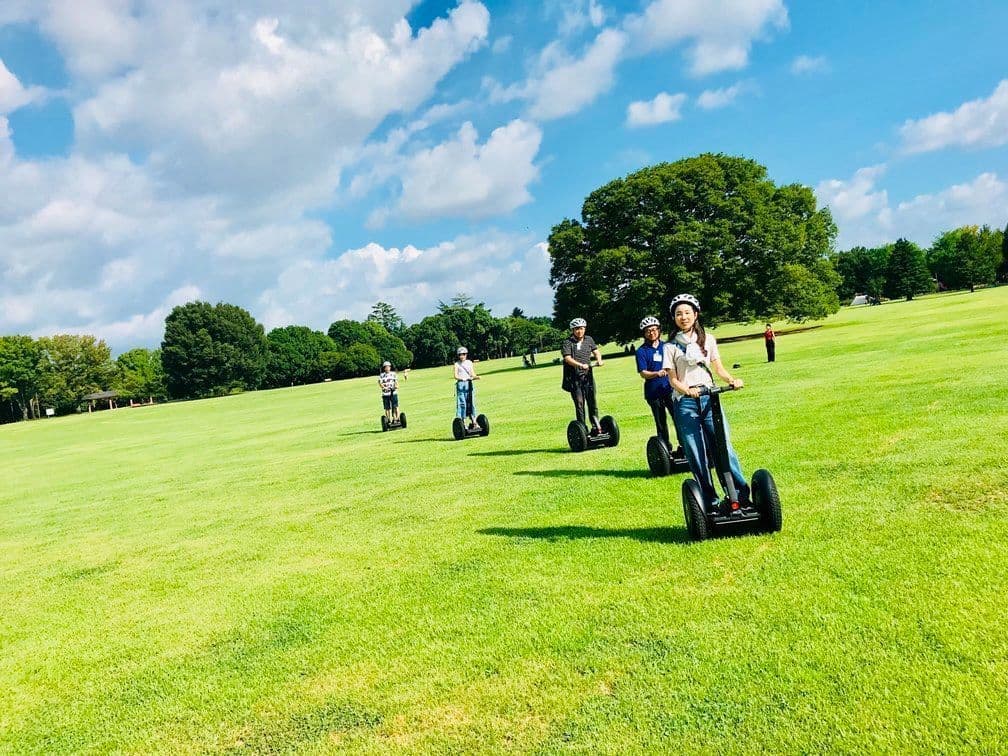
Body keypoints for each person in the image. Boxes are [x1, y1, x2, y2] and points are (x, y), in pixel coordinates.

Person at [662, 294, 749, 510]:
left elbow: (718, 368)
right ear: (674, 318)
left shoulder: (708, 339)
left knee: (724, 447)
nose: (683, 317)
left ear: (696, 314)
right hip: (686, 403)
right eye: (679, 314)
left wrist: (732, 380)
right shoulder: (670, 346)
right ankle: (709, 501)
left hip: (711, 399)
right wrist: (687, 390)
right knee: (696, 453)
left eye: (687, 313)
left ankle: (739, 496)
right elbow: (673, 379)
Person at [561, 317, 604, 435]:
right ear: (573, 330)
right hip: (574, 378)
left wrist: (599, 360)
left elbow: (596, 351)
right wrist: (580, 365)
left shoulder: (589, 340)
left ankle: (596, 426)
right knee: (580, 403)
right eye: (577, 329)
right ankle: (582, 429)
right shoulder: (568, 342)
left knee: (592, 401)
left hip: (588, 377)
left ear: (584, 329)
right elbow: (567, 358)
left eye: (581, 328)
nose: (579, 331)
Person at [635, 316, 674, 443]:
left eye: (654, 329)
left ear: (659, 330)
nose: (652, 333)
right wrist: (657, 373)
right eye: (648, 331)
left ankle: (684, 448)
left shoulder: (667, 346)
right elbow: (643, 373)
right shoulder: (641, 351)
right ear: (644, 333)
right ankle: (665, 450)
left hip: (670, 388)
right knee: (661, 423)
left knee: (678, 419)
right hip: (654, 392)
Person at [453, 346, 480, 429]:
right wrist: (462, 379)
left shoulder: (469, 362)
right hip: (461, 385)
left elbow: (472, 373)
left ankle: (474, 422)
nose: (462, 356)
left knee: (471, 403)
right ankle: (463, 423)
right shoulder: (456, 364)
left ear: (466, 354)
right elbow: (455, 376)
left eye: (464, 354)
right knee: (462, 404)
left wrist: (476, 377)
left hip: (469, 384)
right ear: (458, 355)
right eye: (460, 354)